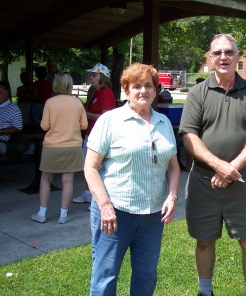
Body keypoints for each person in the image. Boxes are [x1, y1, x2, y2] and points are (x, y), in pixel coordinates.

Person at [178, 34, 246, 296]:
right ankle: (205, 292)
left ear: (237, 57)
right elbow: (189, 137)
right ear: (210, 57)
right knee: (204, 241)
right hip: (203, 183)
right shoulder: (197, 93)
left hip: (242, 182)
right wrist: (218, 166)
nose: (223, 57)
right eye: (217, 53)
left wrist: (231, 170)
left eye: (228, 52)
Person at [84, 62, 180, 296]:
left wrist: (172, 196)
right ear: (126, 91)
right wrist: (105, 206)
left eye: (148, 85)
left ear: (156, 90)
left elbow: (174, 166)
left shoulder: (163, 122)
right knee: (105, 275)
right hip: (115, 214)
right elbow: (90, 167)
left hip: (152, 216)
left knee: (146, 275)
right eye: (136, 86)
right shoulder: (110, 121)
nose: (143, 91)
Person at [31, 73, 88, 224]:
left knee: (45, 179)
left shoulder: (50, 102)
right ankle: (63, 215)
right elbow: (84, 125)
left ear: (55, 85)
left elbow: (44, 126)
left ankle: (42, 213)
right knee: (68, 181)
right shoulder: (77, 102)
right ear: (70, 85)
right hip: (72, 146)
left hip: (52, 146)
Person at [72, 63, 116, 204]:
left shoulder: (106, 93)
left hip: (99, 137)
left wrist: (85, 114)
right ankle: (88, 194)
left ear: (102, 77)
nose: (91, 77)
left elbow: (106, 117)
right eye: (91, 75)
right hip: (90, 134)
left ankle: (98, 200)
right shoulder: (96, 93)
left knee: (96, 167)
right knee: (89, 166)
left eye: (94, 75)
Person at [0, 81, 23, 155]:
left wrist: (1, 132)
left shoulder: (13, 108)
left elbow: (17, 128)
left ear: (7, 92)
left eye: (0, 92)